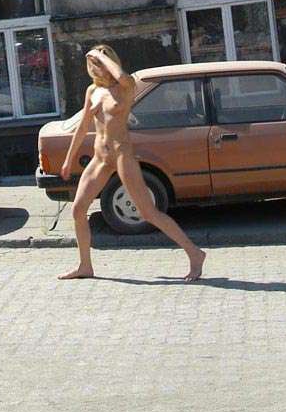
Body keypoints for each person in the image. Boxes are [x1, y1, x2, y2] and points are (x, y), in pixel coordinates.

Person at [58, 45, 206, 282]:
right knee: (78, 210)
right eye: (93, 64)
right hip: (100, 158)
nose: (96, 68)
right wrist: (68, 159)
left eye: (100, 63)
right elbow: (83, 127)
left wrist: (101, 56)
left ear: (110, 62)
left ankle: (194, 253)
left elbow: (122, 76)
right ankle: (85, 266)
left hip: (122, 155)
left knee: (148, 212)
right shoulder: (92, 91)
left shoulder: (125, 87)